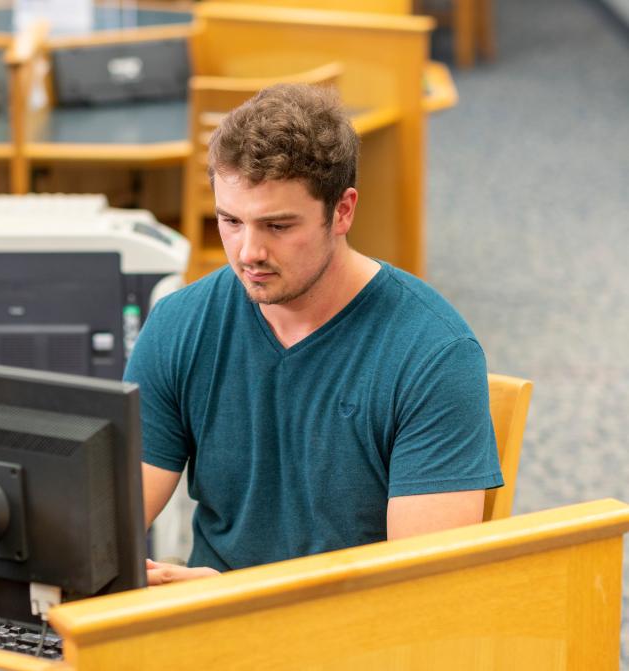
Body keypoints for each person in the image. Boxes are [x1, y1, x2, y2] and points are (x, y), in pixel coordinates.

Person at [124, 83, 503, 585]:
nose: (247, 252)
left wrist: (234, 595)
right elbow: (108, 526)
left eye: (277, 226)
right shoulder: (179, 324)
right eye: (230, 221)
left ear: (343, 211)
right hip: (207, 628)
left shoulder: (432, 353)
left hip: (357, 642)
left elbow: (420, 591)